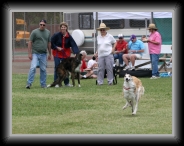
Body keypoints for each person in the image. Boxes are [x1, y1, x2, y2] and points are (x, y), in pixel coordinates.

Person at [50, 22, 80, 87]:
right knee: (57, 67)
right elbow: (51, 42)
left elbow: (73, 45)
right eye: (62, 27)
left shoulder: (69, 36)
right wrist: (56, 47)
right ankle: (56, 83)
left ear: (66, 28)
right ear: (60, 28)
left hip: (65, 54)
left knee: (66, 68)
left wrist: (76, 53)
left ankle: (67, 83)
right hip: (57, 54)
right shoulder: (56, 35)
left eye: (64, 27)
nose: (63, 28)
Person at [26, 19, 51, 89]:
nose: (42, 26)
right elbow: (30, 42)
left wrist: (50, 54)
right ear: (39, 24)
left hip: (43, 54)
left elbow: (49, 43)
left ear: (45, 25)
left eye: (43, 25)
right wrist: (29, 53)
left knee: (43, 69)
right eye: (41, 24)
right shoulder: (34, 32)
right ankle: (29, 83)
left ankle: (43, 84)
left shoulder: (48, 32)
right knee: (33, 67)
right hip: (35, 53)